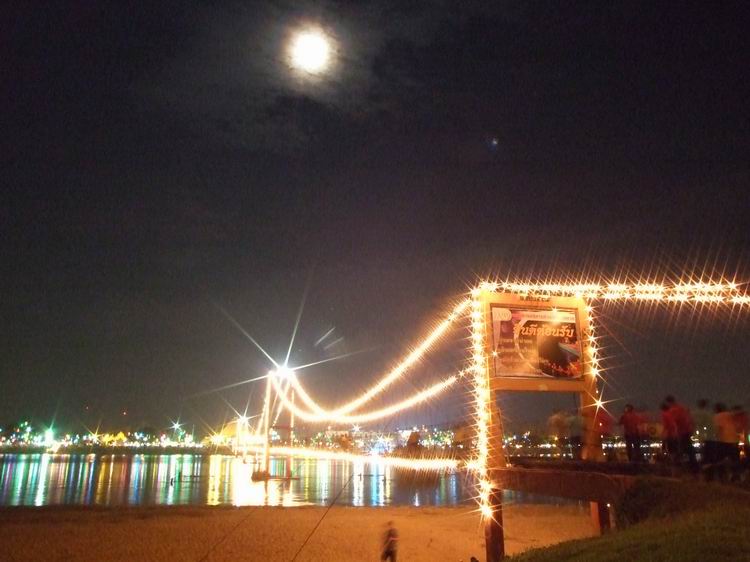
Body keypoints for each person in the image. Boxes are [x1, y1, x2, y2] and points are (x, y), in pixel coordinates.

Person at [665, 395, 696, 467]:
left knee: (679, 450)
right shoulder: (682, 408)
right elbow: (689, 418)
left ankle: (681, 466)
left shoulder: (672, 410)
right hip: (687, 430)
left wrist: (674, 434)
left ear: (668, 403)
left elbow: (674, 423)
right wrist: (691, 428)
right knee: (689, 449)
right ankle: (693, 466)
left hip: (681, 432)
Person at [693, 399, 715, 464]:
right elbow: (711, 425)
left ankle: (698, 464)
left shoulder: (693, 413)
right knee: (706, 452)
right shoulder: (709, 414)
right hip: (707, 436)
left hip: (696, 435)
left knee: (697, 451)